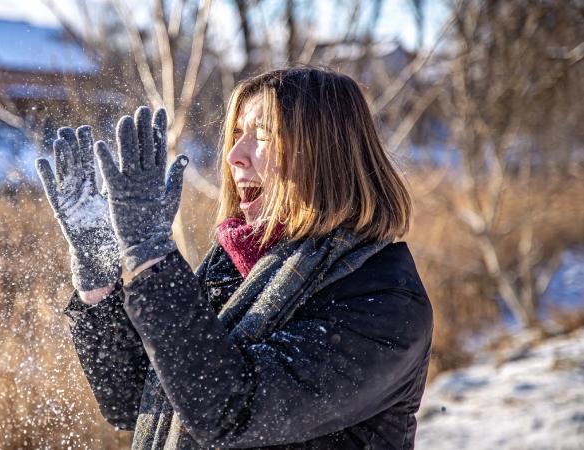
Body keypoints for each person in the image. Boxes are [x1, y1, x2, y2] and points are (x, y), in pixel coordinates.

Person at [35, 66, 433, 449]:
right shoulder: (231, 266)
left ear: (325, 155)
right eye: (237, 134)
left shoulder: (384, 302)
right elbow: (139, 401)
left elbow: (230, 408)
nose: (234, 156)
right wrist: (98, 275)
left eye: (262, 135)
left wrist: (151, 258)